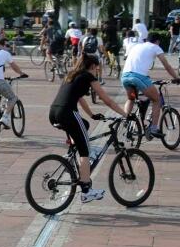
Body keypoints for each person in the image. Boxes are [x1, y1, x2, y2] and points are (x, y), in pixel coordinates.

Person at [49, 55, 128, 204]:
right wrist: (126, 115)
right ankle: (86, 192)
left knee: (84, 124)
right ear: (93, 66)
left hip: (54, 113)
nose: (99, 69)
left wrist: (91, 115)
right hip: (68, 113)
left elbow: (80, 98)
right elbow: (107, 100)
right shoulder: (88, 76)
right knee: (85, 151)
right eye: (98, 67)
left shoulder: (73, 74)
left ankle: (71, 156)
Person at [120, 34, 180, 138]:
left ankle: (125, 119)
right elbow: (167, 65)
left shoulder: (137, 46)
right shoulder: (155, 47)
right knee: (156, 100)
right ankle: (154, 128)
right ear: (157, 41)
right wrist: (176, 77)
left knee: (131, 98)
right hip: (138, 77)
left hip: (125, 77)